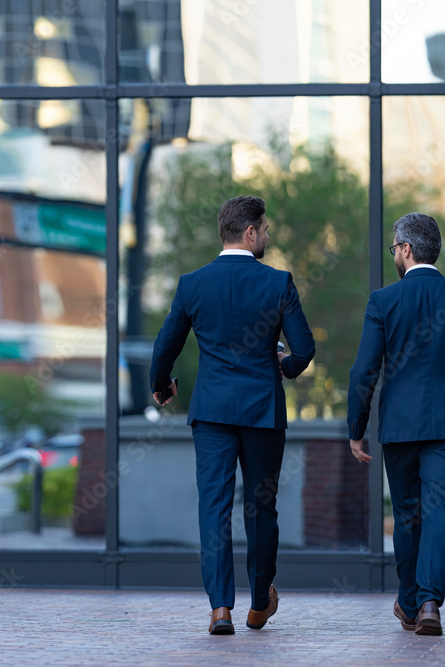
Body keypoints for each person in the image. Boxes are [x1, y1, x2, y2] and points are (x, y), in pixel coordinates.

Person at [149, 195, 315, 635]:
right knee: (261, 508)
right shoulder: (278, 283)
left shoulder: (192, 284)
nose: (267, 235)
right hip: (262, 411)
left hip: (212, 414)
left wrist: (161, 385)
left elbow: (166, 344)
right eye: (264, 229)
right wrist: (285, 367)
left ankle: (220, 608)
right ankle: (260, 603)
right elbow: (305, 349)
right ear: (249, 233)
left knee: (214, 509)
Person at [347, 212, 445, 636]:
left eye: (394, 249)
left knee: (408, 514)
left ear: (407, 250)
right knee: (440, 513)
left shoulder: (383, 301)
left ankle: (411, 600)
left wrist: (356, 428)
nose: (394, 255)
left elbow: (364, 371)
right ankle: (428, 602)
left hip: (399, 427)